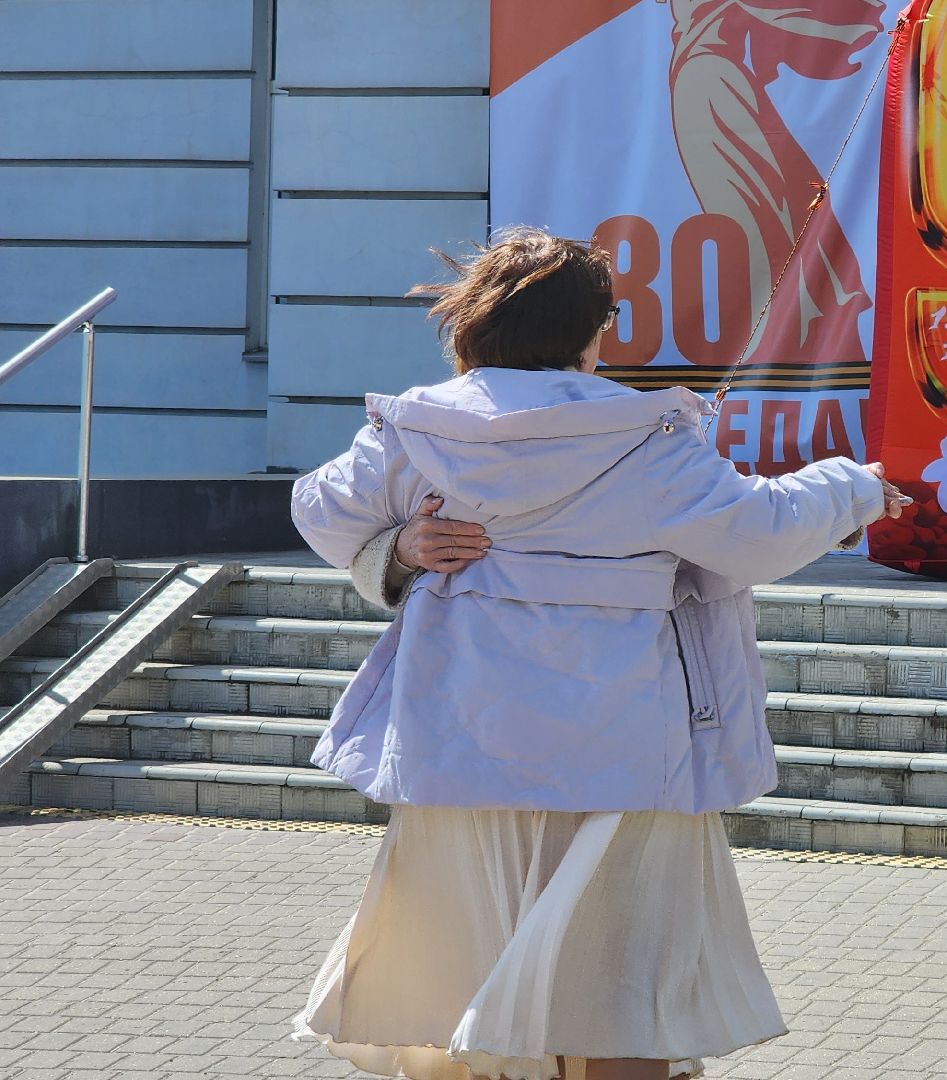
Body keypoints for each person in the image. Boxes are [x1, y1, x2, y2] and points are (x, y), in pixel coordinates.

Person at [288, 226, 905, 1080]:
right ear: (593, 327)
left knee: (467, 989)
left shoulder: (421, 428)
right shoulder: (644, 437)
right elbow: (756, 532)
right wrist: (856, 485)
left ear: (474, 320)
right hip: (621, 748)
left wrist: (404, 545)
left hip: (459, 745)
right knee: (623, 998)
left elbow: (319, 512)